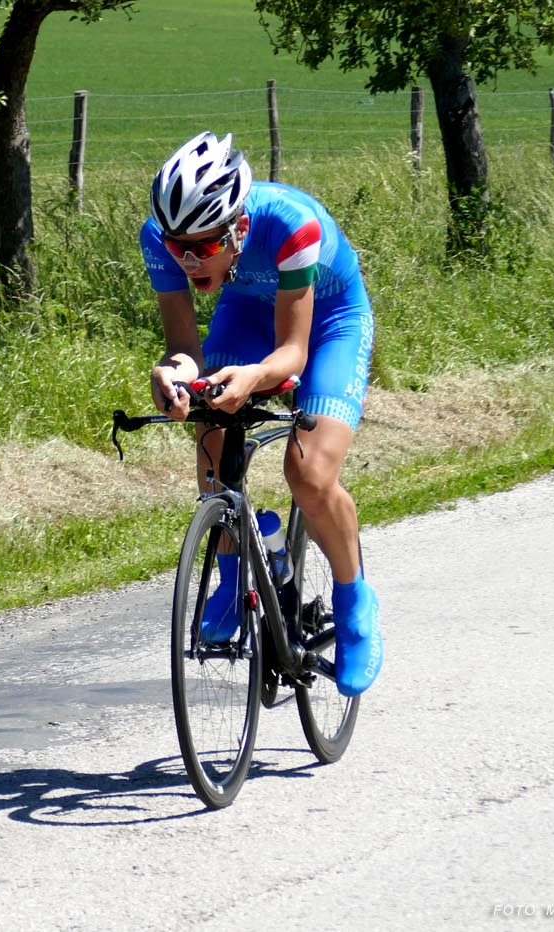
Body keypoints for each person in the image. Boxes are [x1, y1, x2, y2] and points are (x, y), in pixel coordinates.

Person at [141, 130, 382, 697]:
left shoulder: (291, 224)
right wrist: (172, 375)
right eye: (178, 247)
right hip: (248, 312)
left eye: (204, 247)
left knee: (309, 473)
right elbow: (185, 349)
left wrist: (252, 378)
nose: (188, 260)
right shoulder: (159, 238)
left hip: (330, 322)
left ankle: (355, 601)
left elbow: (292, 353)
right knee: (212, 431)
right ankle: (233, 577)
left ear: (240, 228)